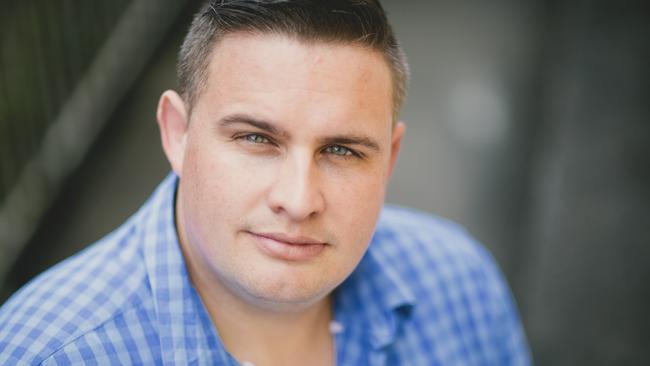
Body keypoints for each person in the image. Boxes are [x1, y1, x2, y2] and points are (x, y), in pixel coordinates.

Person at [0, 1, 531, 364]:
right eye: (257, 139)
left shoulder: (461, 285)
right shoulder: (50, 352)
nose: (298, 201)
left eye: (341, 150)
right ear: (177, 134)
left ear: (389, 158)